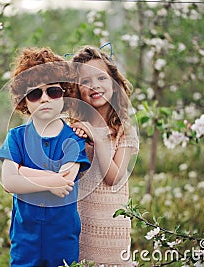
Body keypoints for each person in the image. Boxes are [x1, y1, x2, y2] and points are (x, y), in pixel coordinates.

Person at [0, 47, 91, 267]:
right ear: (25, 101)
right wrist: (50, 183)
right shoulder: (17, 137)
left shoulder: (73, 138)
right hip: (25, 238)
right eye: (35, 93)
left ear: (65, 94)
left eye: (53, 91)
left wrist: (22, 171)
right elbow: (9, 182)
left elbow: (65, 181)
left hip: (62, 239)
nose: (45, 99)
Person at [69, 45, 139, 266]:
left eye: (101, 78)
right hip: (81, 223)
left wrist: (98, 139)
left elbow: (113, 177)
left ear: (114, 84)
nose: (94, 86)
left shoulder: (124, 129)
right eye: (85, 82)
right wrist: (80, 136)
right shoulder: (73, 127)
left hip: (113, 226)